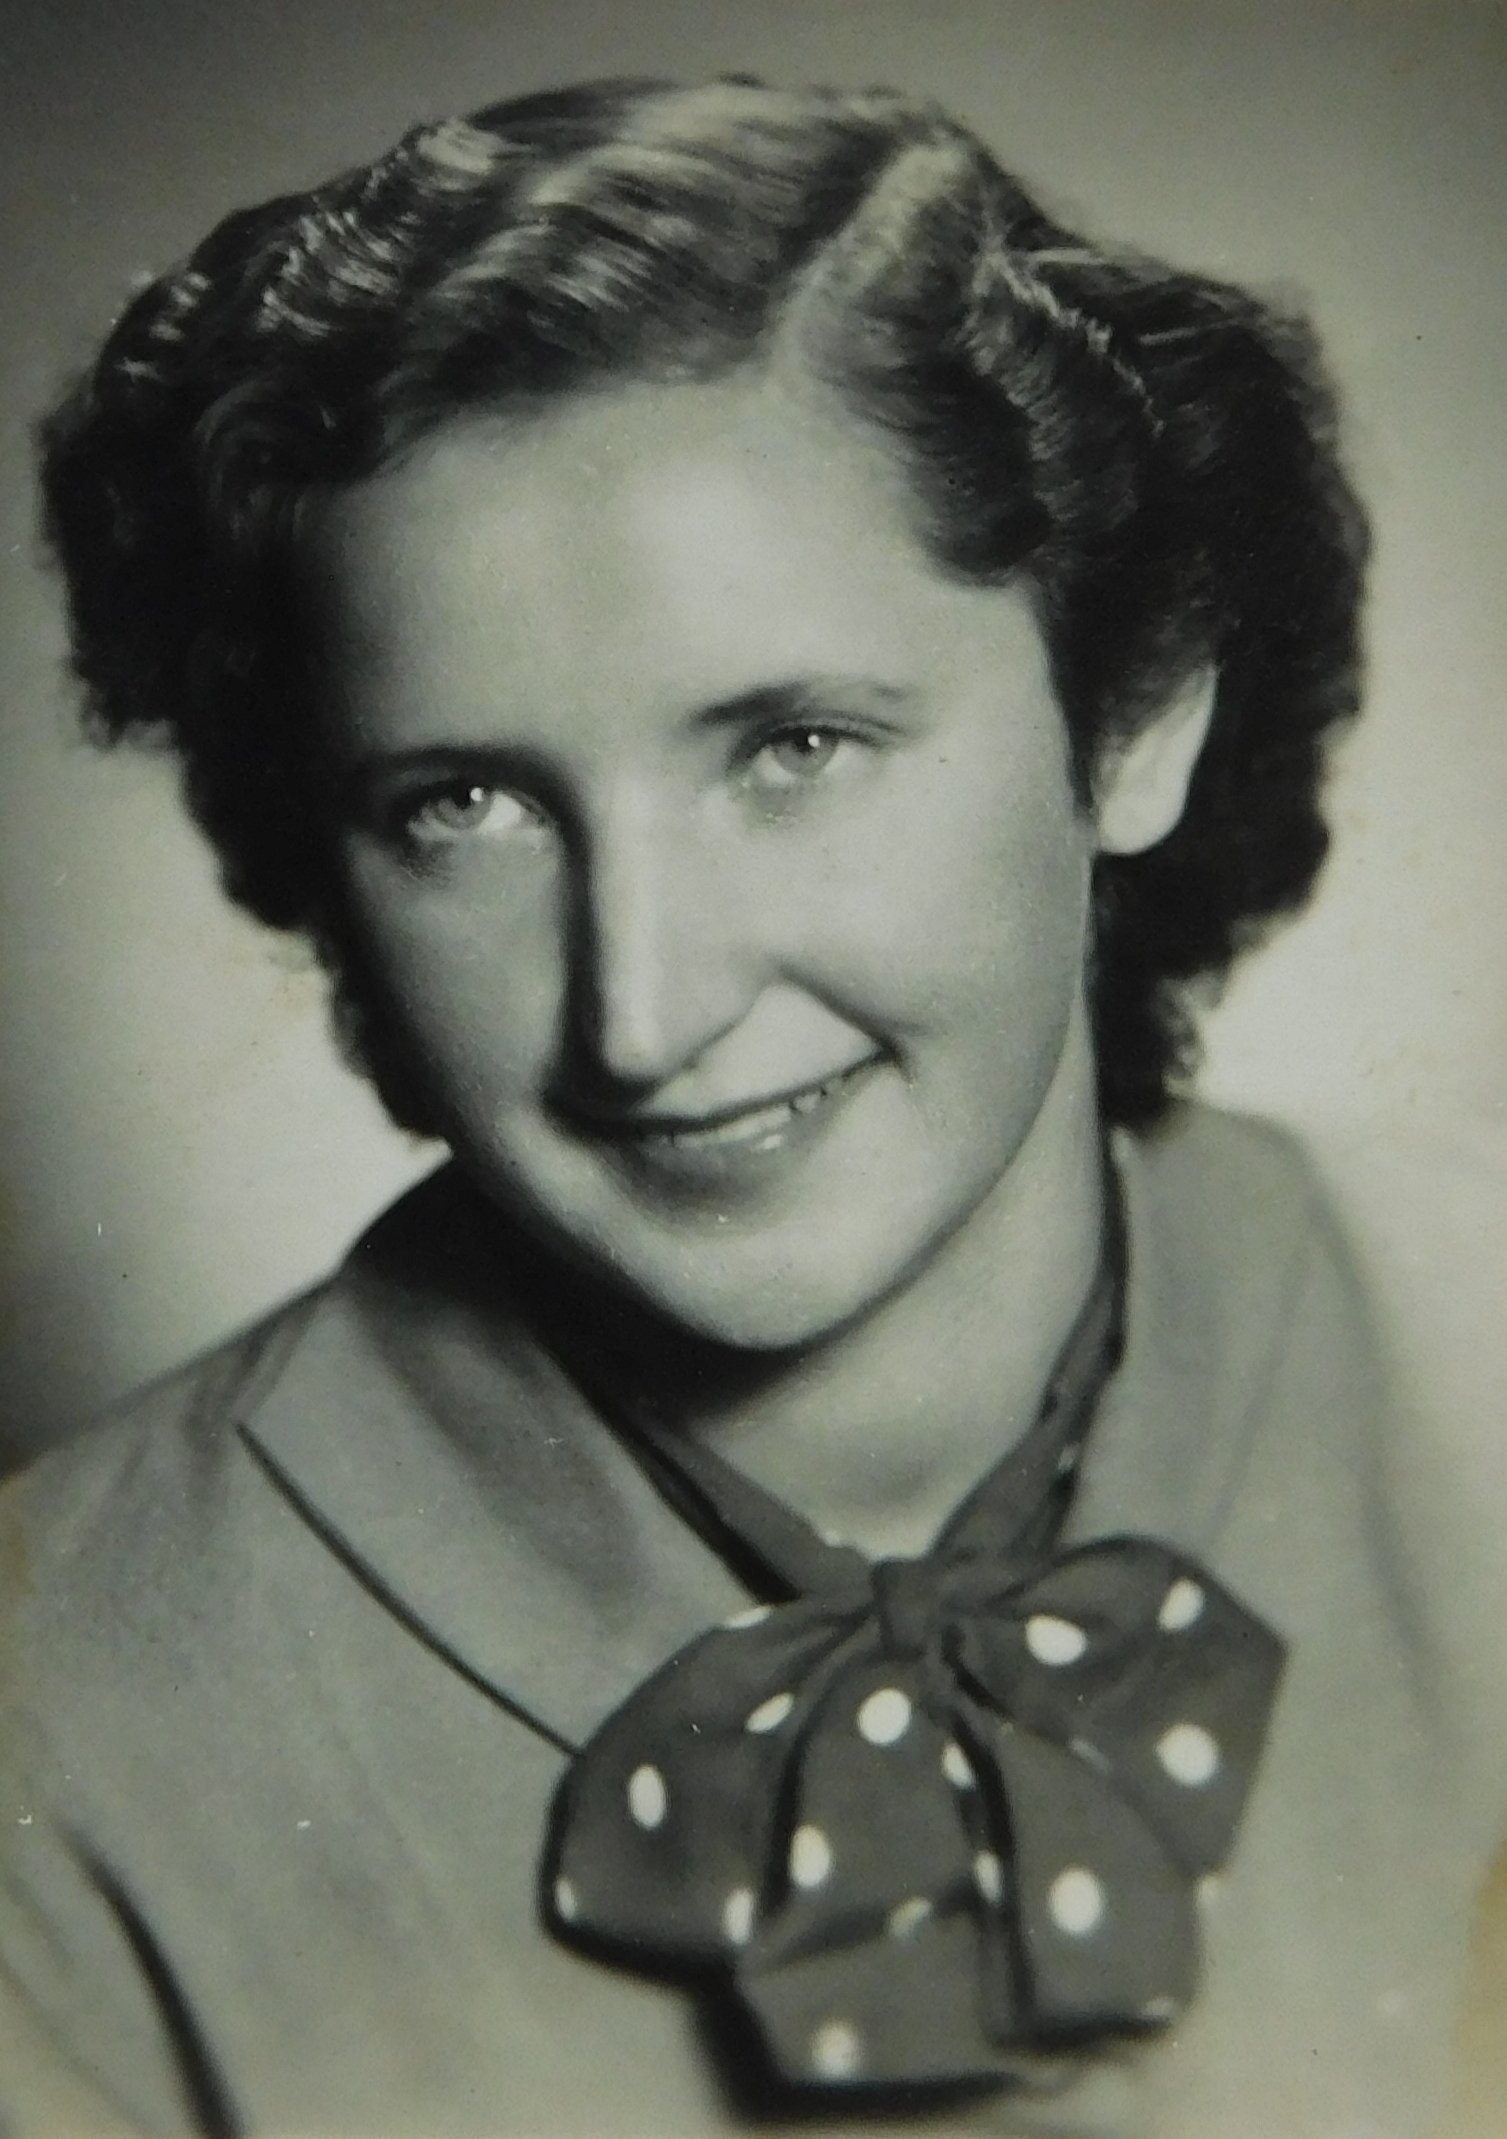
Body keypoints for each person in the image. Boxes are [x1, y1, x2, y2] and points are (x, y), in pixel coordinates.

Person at [2, 75, 1502, 2138]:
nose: (645, 1011)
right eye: (464, 805)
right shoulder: (51, 1732)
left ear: (1135, 713)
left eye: (793, 746)